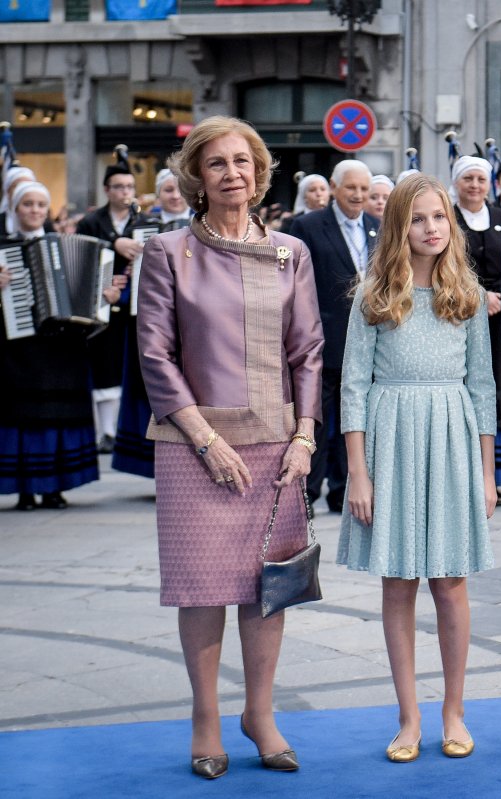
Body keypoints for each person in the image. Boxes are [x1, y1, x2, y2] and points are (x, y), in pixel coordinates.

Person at [137, 116, 324, 780]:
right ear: (196, 175)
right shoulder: (167, 253)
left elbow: (307, 354)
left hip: (276, 446)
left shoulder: (289, 253)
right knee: (201, 589)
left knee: (266, 588)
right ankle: (207, 717)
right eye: (216, 163)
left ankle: (261, 713)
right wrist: (205, 438)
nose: (231, 173)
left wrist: (305, 436)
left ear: (260, 171)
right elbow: (155, 356)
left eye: (243, 161)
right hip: (195, 446)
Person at [339, 175, 497, 763]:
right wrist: (358, 473)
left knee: (451, 583)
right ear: (397, 226)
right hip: (391, 438)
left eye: (440, 217)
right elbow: (352, 388)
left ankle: (453, 711)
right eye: (419, 219)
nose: (432, 228)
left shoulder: (469, 295)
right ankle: (408, 718)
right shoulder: (372, 295)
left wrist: (487, 474)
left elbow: (483, 388)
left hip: (452, 437)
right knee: (398, 583)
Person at [0, 181, 108, 510]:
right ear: (15, 209)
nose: (34, 211)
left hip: (63, 348)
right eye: (27, 205)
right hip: (20, 348)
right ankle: (25, 491)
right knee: (24, 418)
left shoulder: (63, 243)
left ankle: (55, 488)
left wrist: (103, 299)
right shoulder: (3, 248)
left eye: (40, 205)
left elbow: (91, 299)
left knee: (61, 416)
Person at [291, 159, 379, 512]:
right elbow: (296, 283)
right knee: (317, 419)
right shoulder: (308, 226)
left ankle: (345, 489)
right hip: (323, 340)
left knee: (354, 420)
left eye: (364, 189)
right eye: (351, 188)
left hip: (366, 340)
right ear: (334, 188)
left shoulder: (379, 226)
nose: (358, 195)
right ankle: (307, 493)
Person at [453, 155, 501, 501]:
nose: (474, 185)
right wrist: (478, 295)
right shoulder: (448, 220)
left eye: (480, 179)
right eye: (468, 178)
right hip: (459, 317)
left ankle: (498, 475)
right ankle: (468, 476)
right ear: (456, 182)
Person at [112, 169, 193, 480]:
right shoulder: (140, 228)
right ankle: (153, 467)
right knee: (151, 392)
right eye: (167, 190)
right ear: (158, 195)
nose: (174, 196)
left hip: (189, 321)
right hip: (148, 320)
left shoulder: (202, 223)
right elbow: (117, 277)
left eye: (178, 190)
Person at [77, 161, 150, 454]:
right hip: (102, 305)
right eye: (118, 187)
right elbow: (81, 262)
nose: (125, 192)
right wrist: (113, 243)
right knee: (105, 364)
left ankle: (124, 429)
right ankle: (106, 431)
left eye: (130, 187)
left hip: (135, 305)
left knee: (132, 365)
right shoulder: (91, 222)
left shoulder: (141, 222)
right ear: (107, 190)